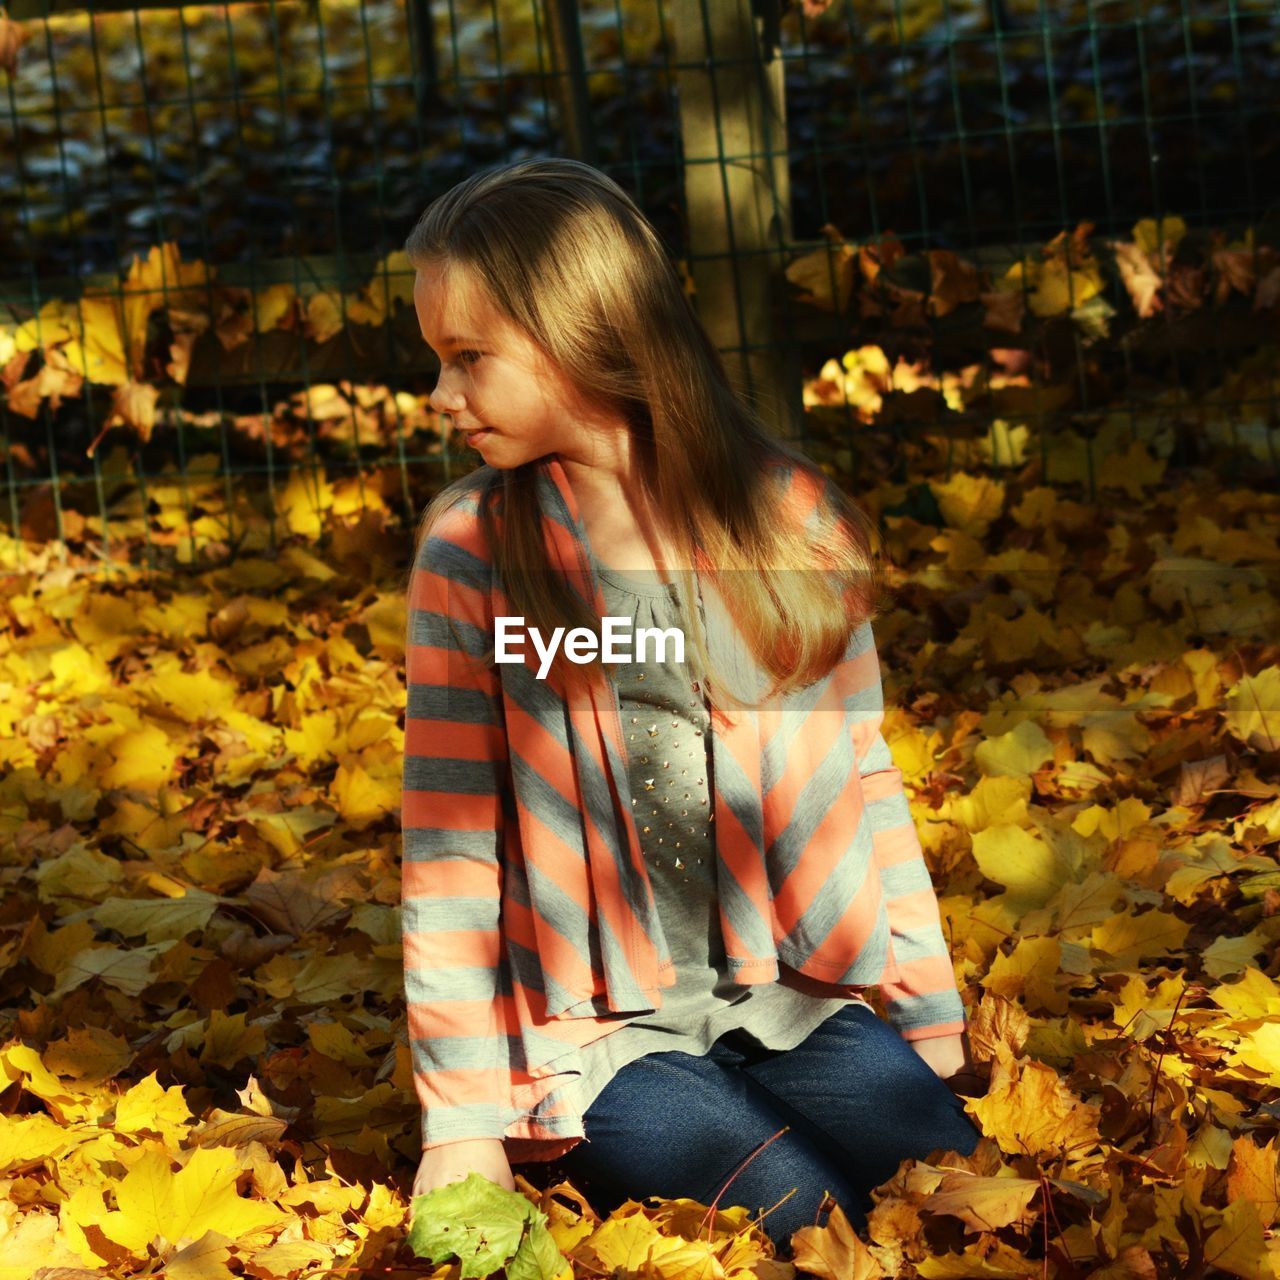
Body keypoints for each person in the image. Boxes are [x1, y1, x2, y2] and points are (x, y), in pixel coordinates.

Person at [400, 157, 983, 1257]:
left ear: (582, 331)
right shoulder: (474, 552)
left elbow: (863, 775)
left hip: (794, 998)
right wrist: (462, 1121)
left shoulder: (787, 522)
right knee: (813, 1223)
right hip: (596, 1045)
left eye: (467, 357)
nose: (440, 394)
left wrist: (925, 1012)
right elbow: (449, 851)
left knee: (954, 1190)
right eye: (440, 360)